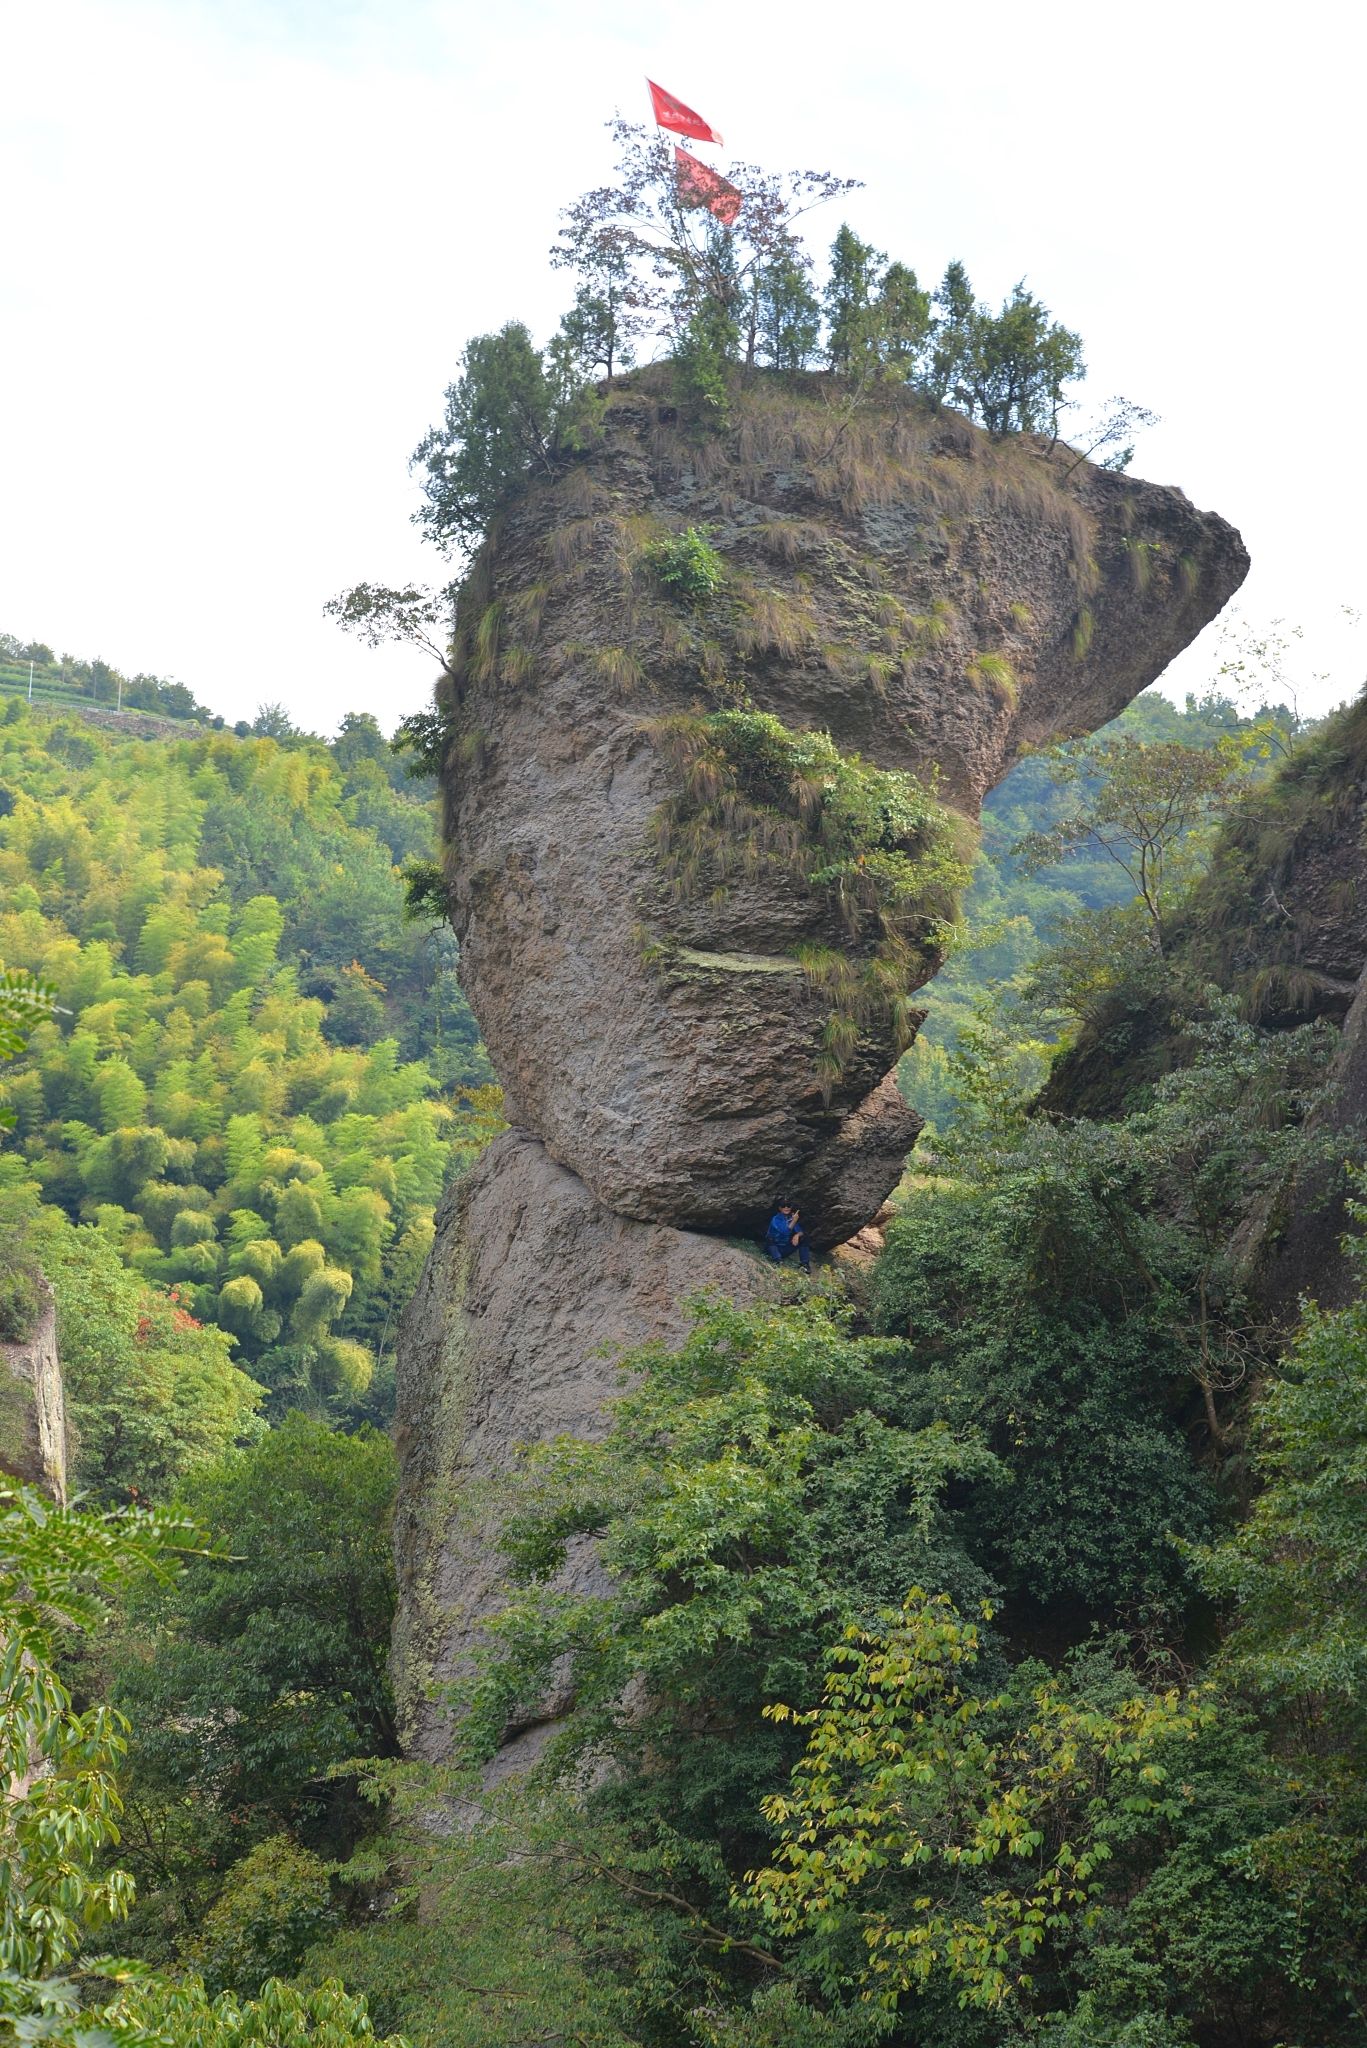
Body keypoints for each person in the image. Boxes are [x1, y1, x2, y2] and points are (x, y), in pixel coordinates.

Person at [764, 1201, 811, 1274]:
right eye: (783, 1205)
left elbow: (801, 1231)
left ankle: (805, 1265)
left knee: (804, 1237)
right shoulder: (775, 1219)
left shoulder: (791, 1218)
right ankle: (778, 1261)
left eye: (788, 1205)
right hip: (773, 1249)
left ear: (791, 1208)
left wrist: (797, 1235)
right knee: (770, 1238)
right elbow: (784, 1232)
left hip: (785, 1249)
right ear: (780, 1208)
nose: (786, 1207)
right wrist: (794, 1221)